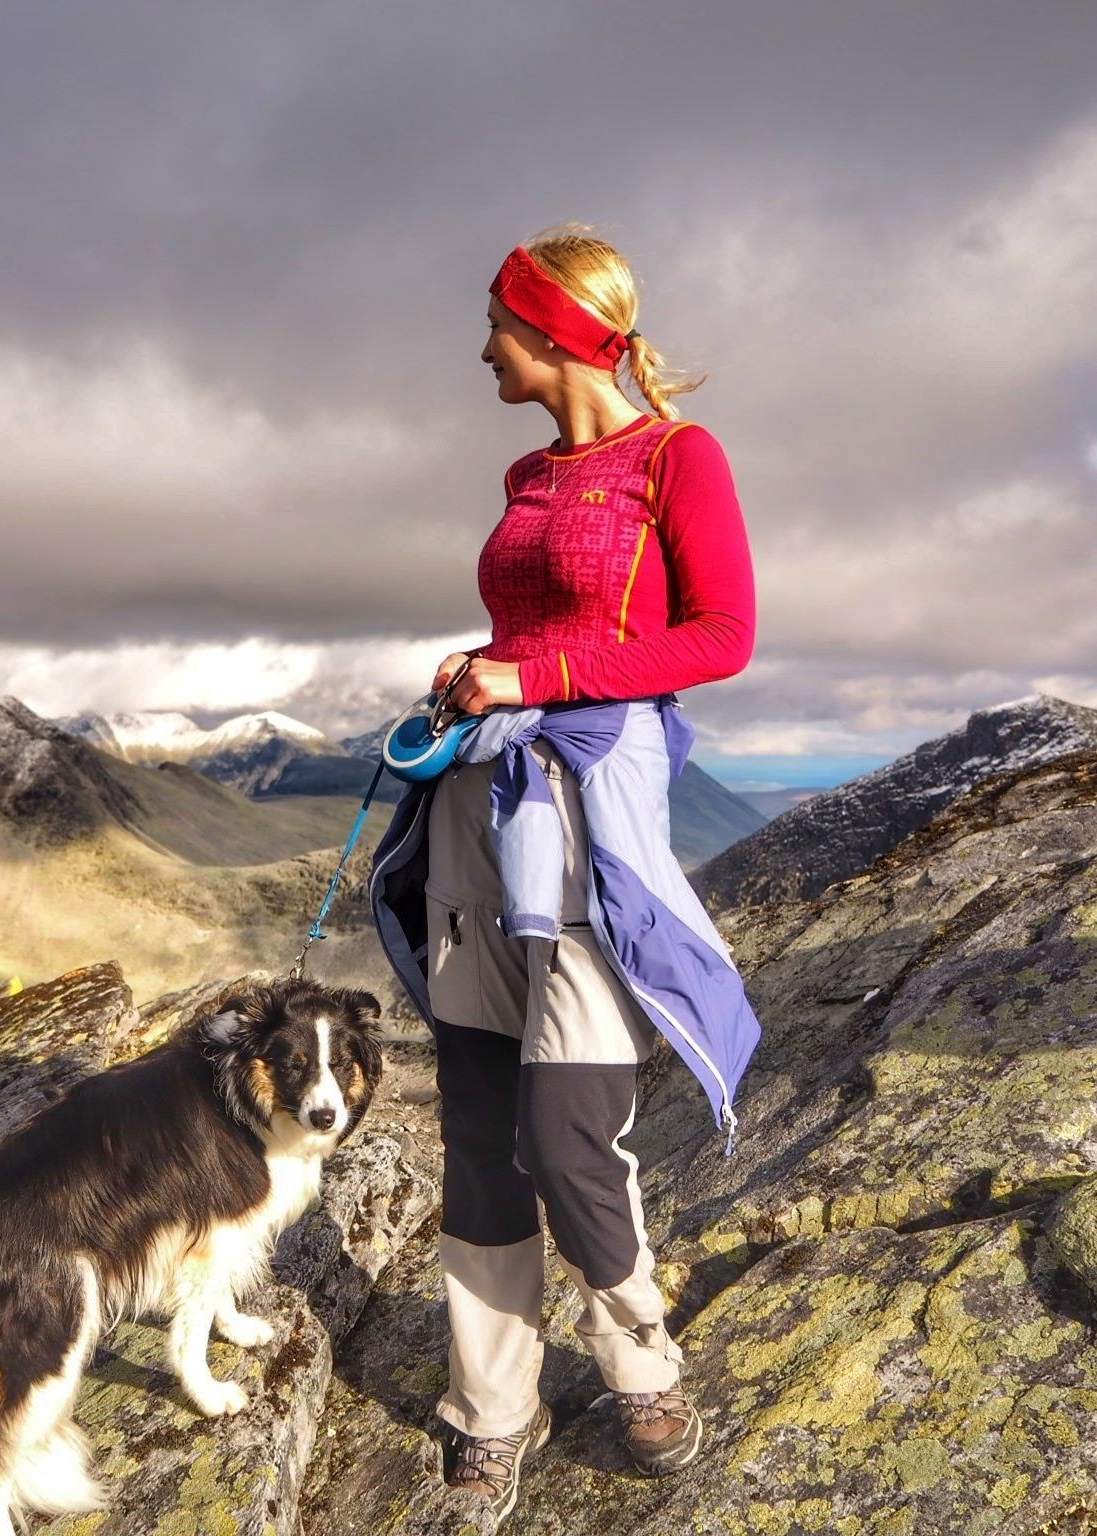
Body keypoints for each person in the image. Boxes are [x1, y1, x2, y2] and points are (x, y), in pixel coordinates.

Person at [381, 222, 758, 1525]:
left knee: (565, 1128)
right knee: (480, 1130)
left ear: (551, 332)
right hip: (482, 799)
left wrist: (534, 678)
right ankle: (493, 1407)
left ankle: (641, 1362)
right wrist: (480, 674)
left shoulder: (676, 459)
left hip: (593, 812)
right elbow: (523, 631)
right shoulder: (522, 475)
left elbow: (720, 636)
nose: (481, 347)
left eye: (496, 322)